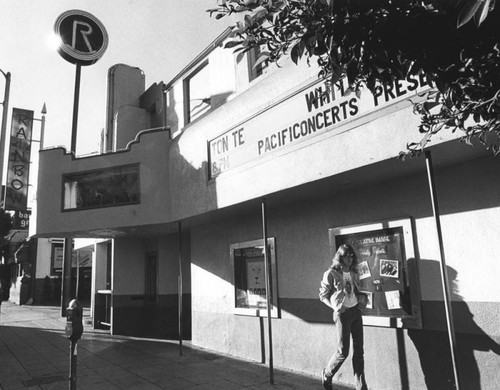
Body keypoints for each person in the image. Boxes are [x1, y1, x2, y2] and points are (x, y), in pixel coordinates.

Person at [319, 244, 368, 390]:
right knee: (343, 351)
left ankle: (360, 386)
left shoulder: (353, 272)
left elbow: (356, 290)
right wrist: (335, 307)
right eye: (347, 255)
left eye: (352, 255)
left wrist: (361, 300)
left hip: (355, 312)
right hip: (342, 315)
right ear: (340, 256)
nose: (350, 258)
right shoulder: (331, 273)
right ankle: (327, 373)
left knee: (359, 350)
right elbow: (322, 295)